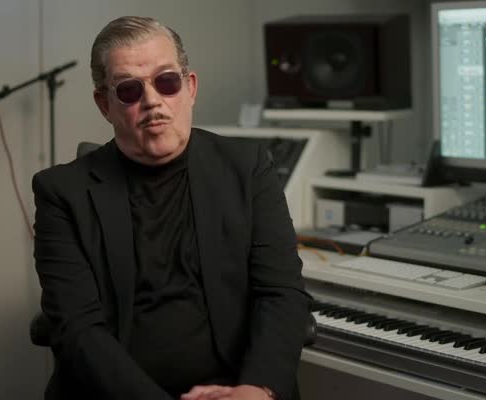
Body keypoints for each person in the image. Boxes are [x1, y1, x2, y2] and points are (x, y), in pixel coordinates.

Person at [32, 16, 311, 400]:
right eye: (129, 89)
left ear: (190, 86)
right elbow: (78, 329)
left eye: (166, 81)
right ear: (104, 104)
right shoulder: (62, 192)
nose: (152, 101)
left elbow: (281, 293)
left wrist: (256, 389)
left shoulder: (248, 168)